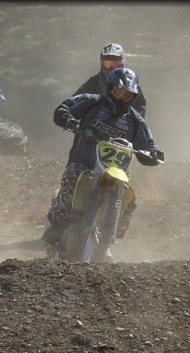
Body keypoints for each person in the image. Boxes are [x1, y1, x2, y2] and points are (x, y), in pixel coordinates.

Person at [41, 67, 161, 258]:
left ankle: (109, 240)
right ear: (110, 88)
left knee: (129, 197)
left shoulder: (134, 120)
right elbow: (63, 109)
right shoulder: (91, 102)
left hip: (114, 171)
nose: (122, 98)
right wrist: (69, 119)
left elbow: (150, 144)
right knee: (72, 176)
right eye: (119, 92)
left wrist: (151, 154)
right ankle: (57, 227)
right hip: (84, 163)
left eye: (128, 95)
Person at [73, 42, 147, 116]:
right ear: (102, 63)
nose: (111, 68)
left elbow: (140, 108)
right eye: (107, 64)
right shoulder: (93, 82)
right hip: (94, 122)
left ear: (122, 63)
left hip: (121, 123)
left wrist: (131, 122)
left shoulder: (130, 83)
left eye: (115, 64)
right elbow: (74, 101)